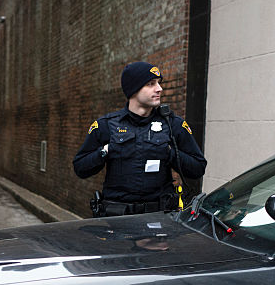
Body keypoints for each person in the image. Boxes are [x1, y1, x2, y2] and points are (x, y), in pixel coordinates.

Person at [73, 61, 207, 216]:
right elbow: (80, 168)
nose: (159, 89)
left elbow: (198, 168)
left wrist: (169, 153)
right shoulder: (106, 125)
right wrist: (105, 151)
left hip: (159, 217)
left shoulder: (172, 124)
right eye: (151, 84)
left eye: (158, 83)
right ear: (134, 89)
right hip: (116, 217)